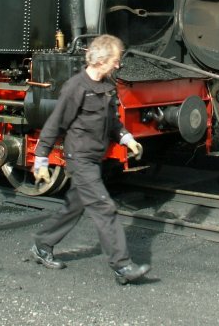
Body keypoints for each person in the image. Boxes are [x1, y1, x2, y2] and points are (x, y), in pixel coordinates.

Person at [29, 34, 151, 284]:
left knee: (75, 205)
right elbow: (55, 123)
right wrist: (40, 158)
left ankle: (42, 244)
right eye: (116, 60)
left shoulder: (106, 87)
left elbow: (113, 122)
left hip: (94, 157)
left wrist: (127, 138)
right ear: (102, 59)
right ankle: (122, 266)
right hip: (80, 158)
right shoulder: (76, 87)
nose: (118, 65)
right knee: (105, 207)